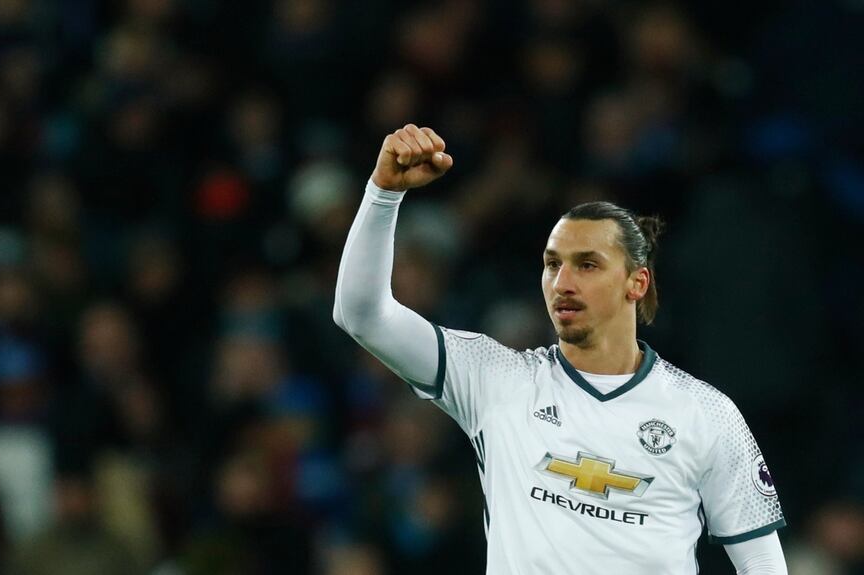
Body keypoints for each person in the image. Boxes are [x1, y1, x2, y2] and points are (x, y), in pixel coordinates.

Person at [333, 124, 788, 574]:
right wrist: (383, 192)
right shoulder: (494, 378)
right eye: (553, 264)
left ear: (637, 282)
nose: (563, 283)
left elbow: (762, 563)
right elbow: (362, 314)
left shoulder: (705, 412)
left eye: (587, 265)